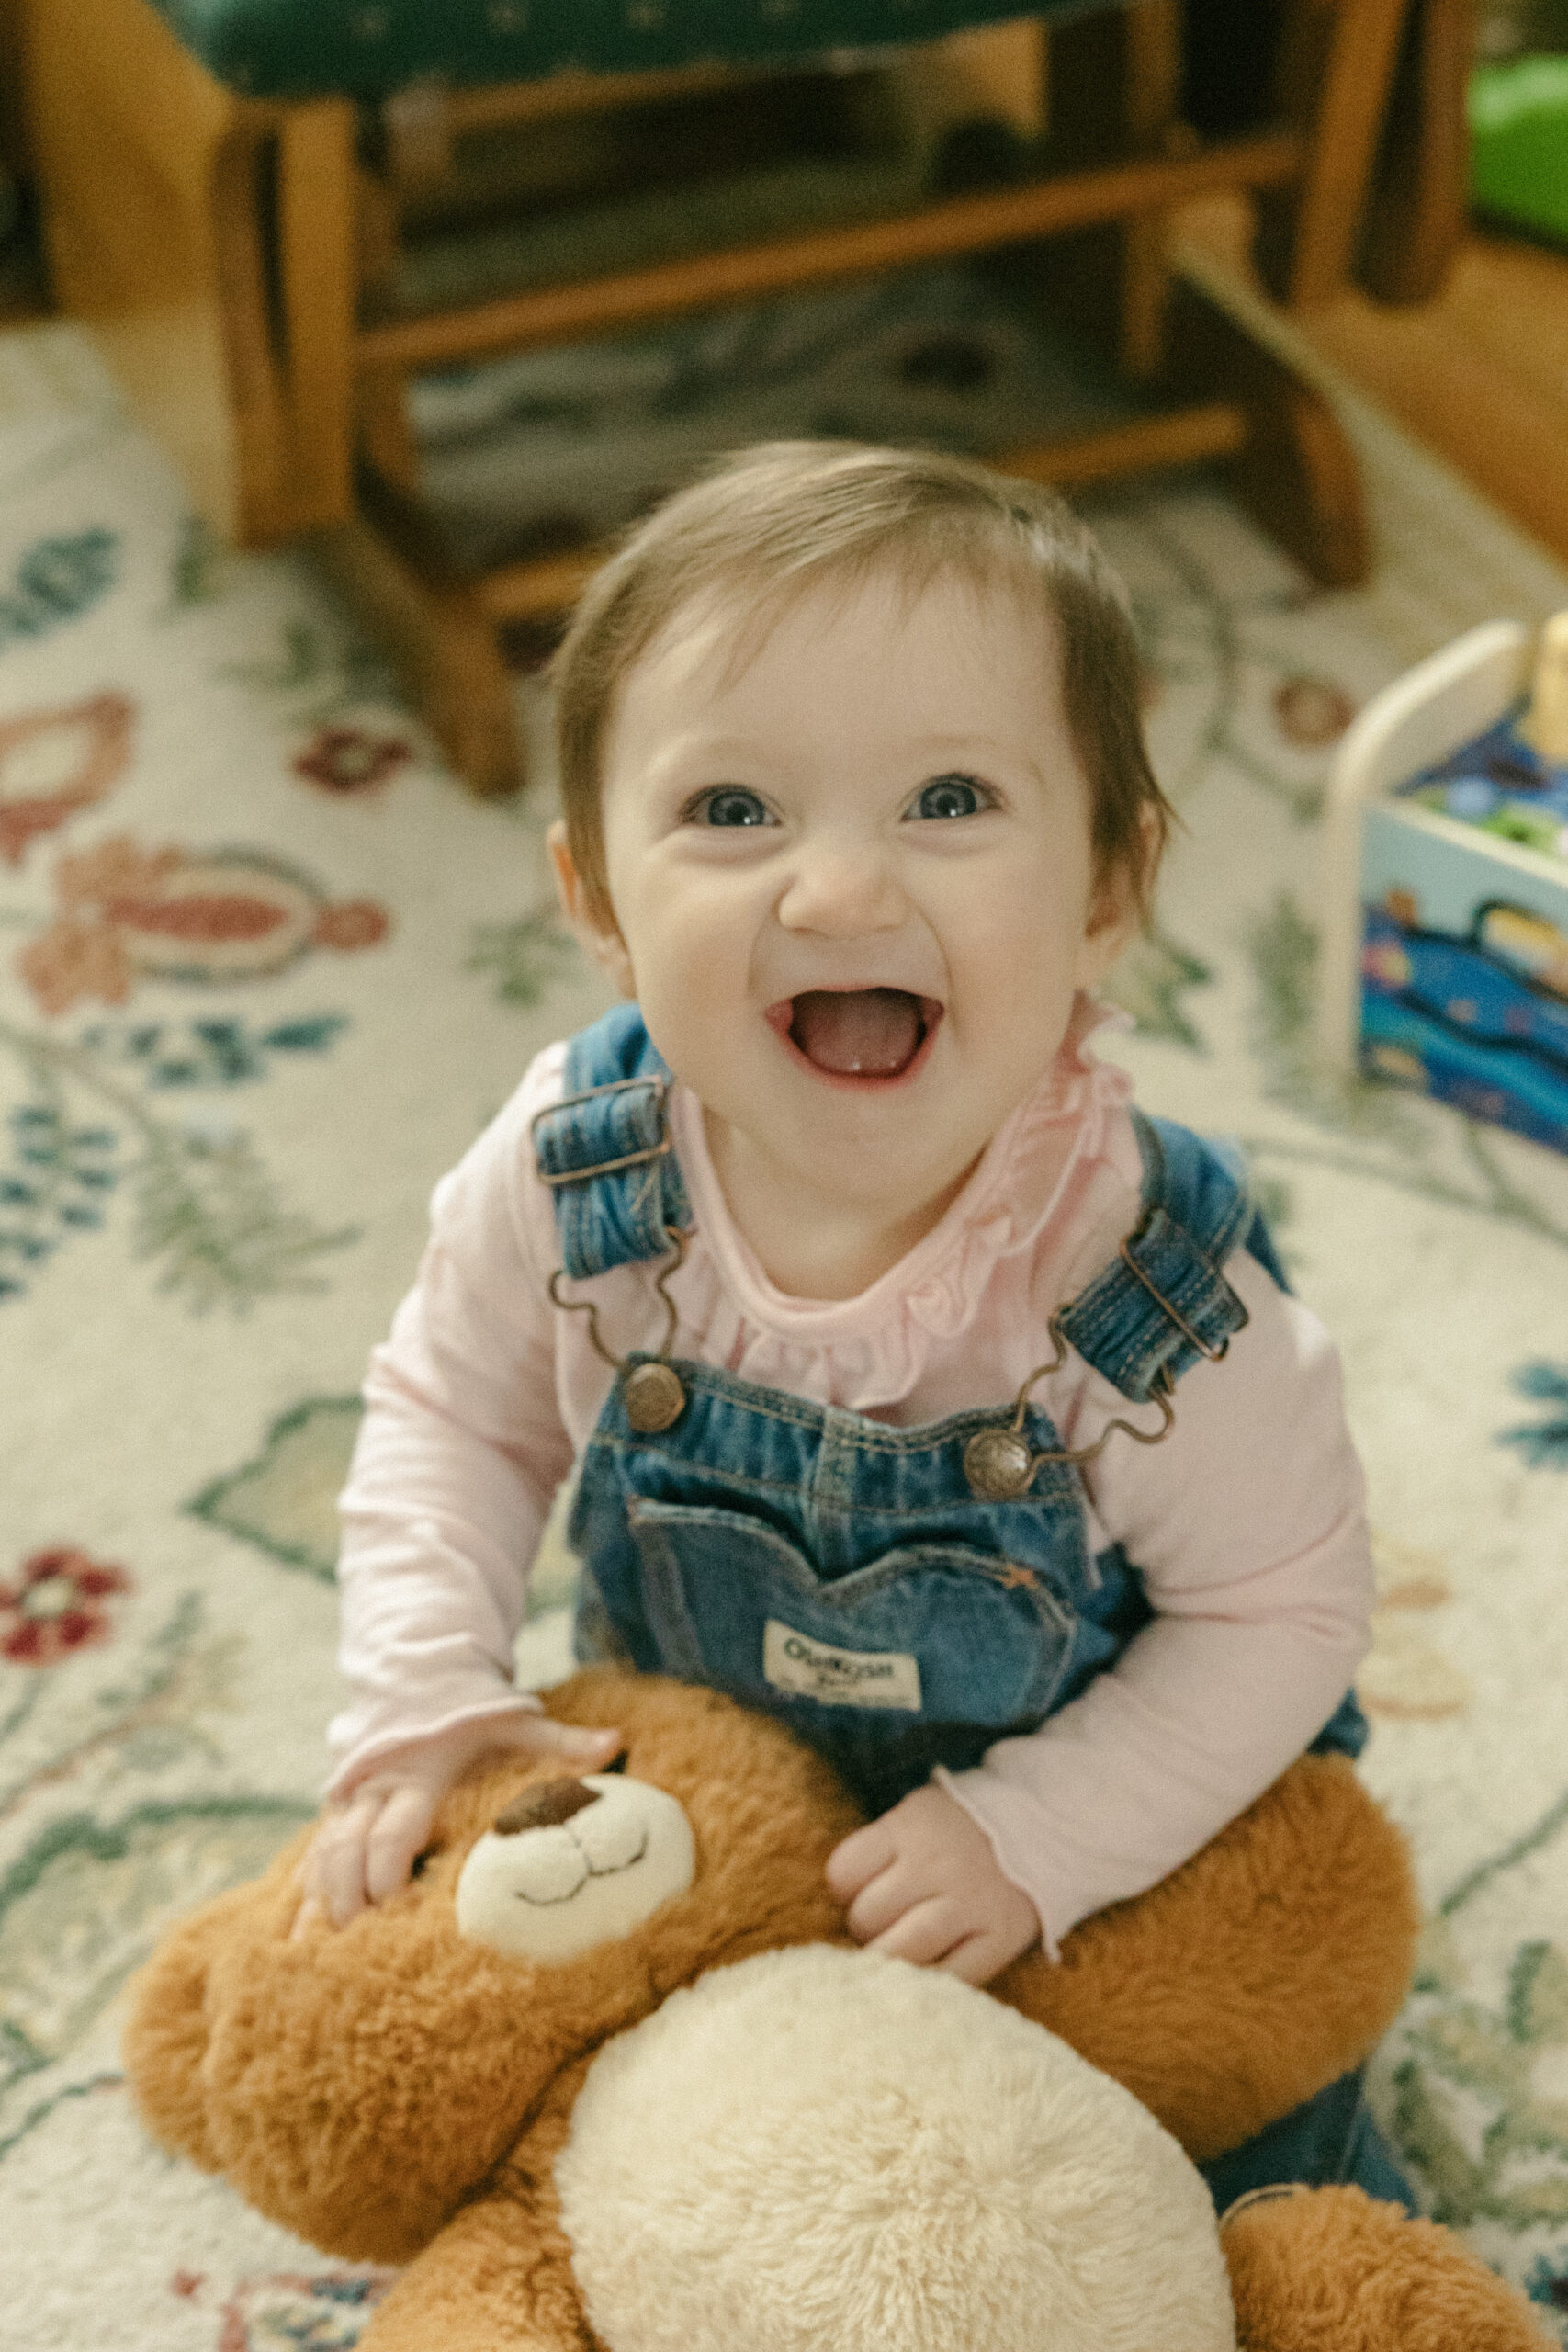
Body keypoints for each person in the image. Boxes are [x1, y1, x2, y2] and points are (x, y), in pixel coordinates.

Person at [299, 440, 1378, 2037]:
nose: (842, 884)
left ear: (1105, 888)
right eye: (733, 808)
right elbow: (455, 1418)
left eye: (951, 799)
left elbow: (1283, 1613)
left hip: (1106, 1808)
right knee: (464, 2038)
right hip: (711, 1786)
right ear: (597, 901)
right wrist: (425, 1690)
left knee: (1256, 2037)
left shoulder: (1134, 1276)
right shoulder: (574, 1170)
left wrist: (1045, 1832)